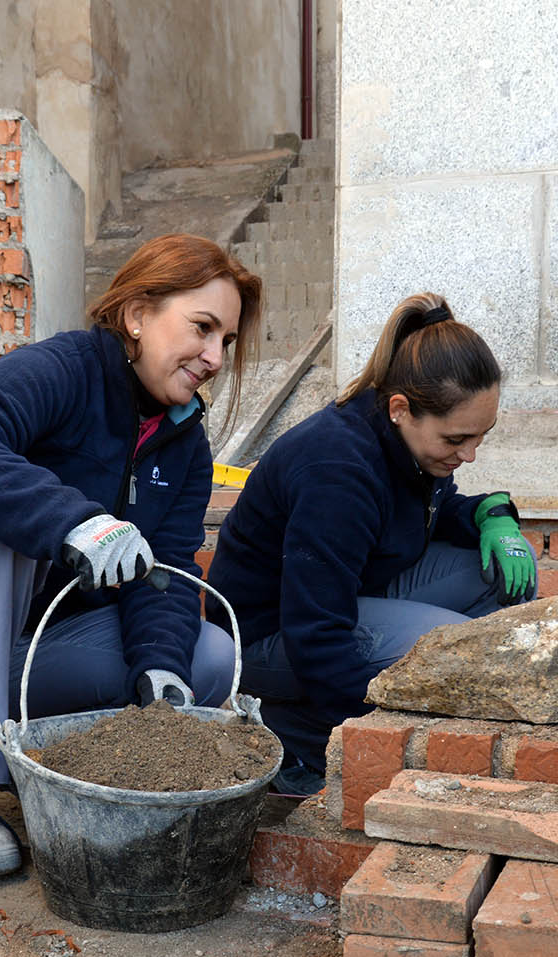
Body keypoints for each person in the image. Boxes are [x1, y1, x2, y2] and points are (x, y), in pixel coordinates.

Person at [0, 234, 261, 878]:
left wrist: (160, 671)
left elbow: (165, 576)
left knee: (207, 657)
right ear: (138, 315)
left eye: (225, 341)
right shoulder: (64, 368)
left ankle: (28, 763)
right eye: (202, 328)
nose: (213, 356)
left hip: (19, 648)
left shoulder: (185, 448)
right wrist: (76, 521)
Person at [205, 293, 535, 813]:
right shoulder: (338, 471)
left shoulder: (401, 439)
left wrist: (493, 514)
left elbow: (432, 514)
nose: (469, 454)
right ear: (401, 409)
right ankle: (297, 742)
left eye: (481, 437)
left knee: (496, 575)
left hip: (344, 596)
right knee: (443, 647)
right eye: (457, 438)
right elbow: (316, 633)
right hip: (268, 635)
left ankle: (361, 715)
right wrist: (374, 740)